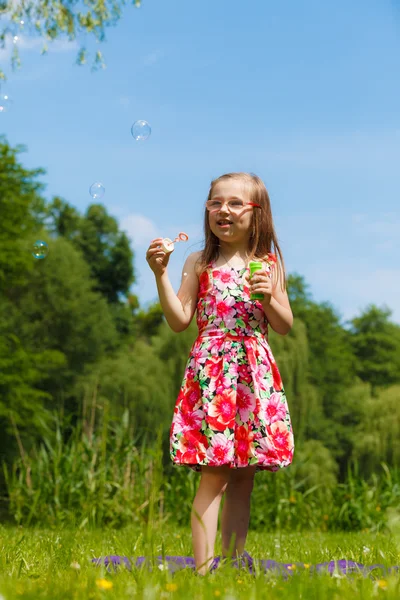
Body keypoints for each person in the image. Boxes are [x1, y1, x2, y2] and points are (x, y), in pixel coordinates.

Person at [146, 172, 294, 575]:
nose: (222, 210)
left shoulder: (268, 264)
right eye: (215, 203)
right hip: (213, 374)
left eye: (233, 203)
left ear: (256, 214)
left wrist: (267, 299)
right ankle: (202, 568)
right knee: (215, 473)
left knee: (243, 476)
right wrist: (160, 274)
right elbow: (179, 320)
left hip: (252, 374)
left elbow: (284, 324)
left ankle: (229, 564)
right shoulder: (199, 262)